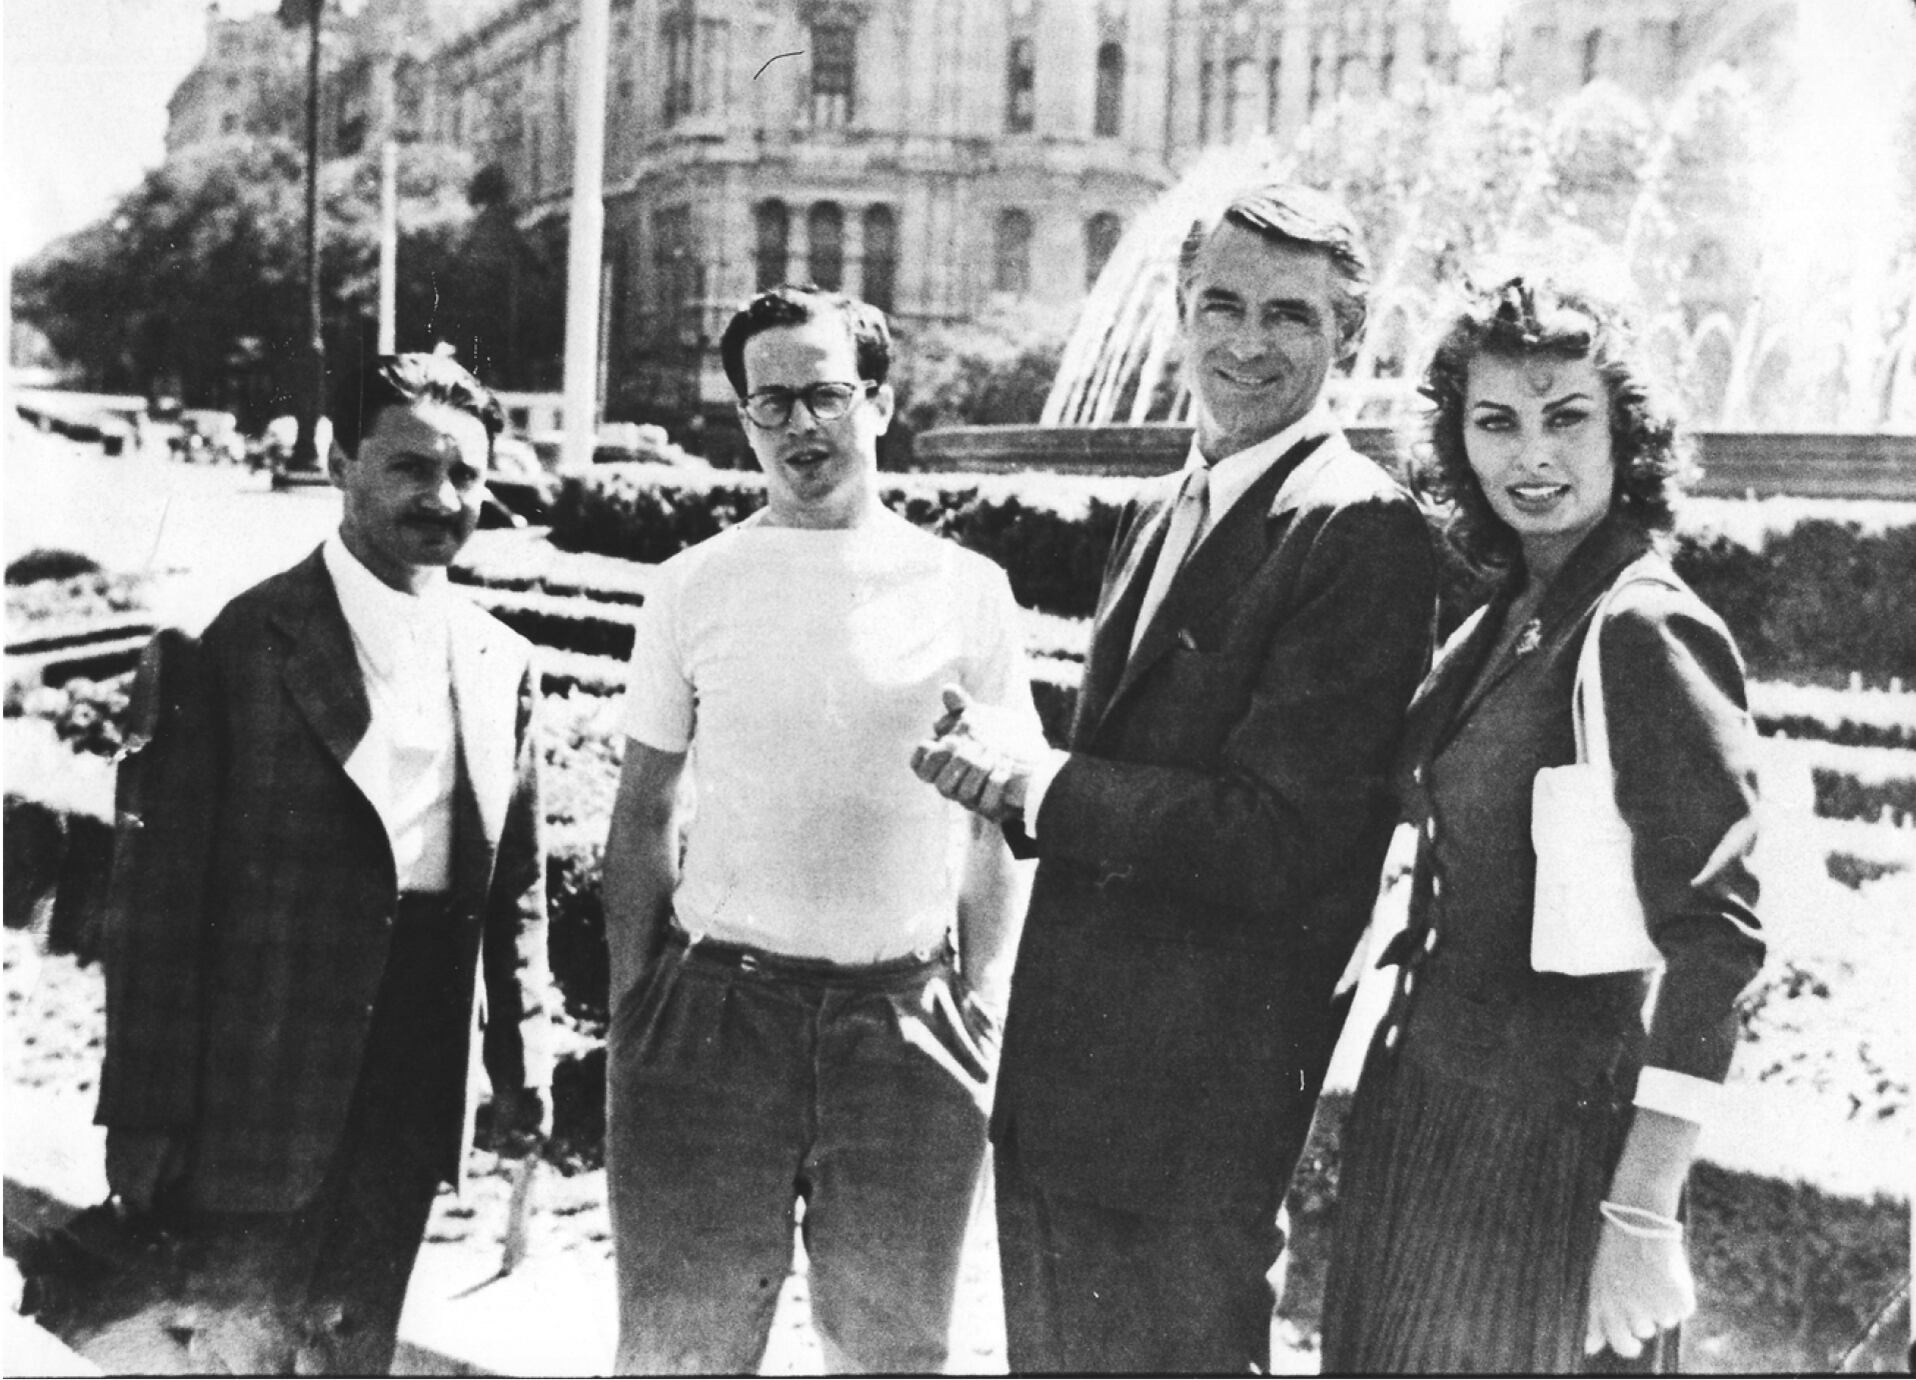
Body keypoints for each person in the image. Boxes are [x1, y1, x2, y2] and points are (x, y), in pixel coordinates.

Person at [912, 183, 1438, 1374]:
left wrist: (1041, 783)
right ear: (1178, 311)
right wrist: (1008, 769)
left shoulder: (1361, 530)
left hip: (1193, 1118)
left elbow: (1276, 838)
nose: (1247, 342)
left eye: (1291, 317)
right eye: (1223, 304)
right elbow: (1139, 772)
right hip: (1063, 1087)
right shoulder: (1158, 509)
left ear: (1347, 338)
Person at [1318, 276, 1767, 1373]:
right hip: (1428, 1117)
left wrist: (1642, 1216)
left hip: (1550, 1155)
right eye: (1495, 422)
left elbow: (1717, 941)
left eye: (1565, 417)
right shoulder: (1510, 606)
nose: (1531, 455)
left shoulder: (1640, 624)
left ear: (1625, 432)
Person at [601, 284, 1039, 1374]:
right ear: (744, 418)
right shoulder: (691, 586)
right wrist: (633, 1007)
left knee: (887, 1355)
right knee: (680, 1352)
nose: (800, 426)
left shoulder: (967, 590)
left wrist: (976, 1002)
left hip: (901, 1027)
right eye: (771, 403)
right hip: (711, 1019)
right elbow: (643, 806)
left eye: (827, 395)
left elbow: (1001, 827)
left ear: (879, 403)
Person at [95, 353, 554, 1375]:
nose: (443, 500)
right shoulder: (235, 641)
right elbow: (154, 909)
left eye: (468, 477)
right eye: (409, 469)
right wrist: (143, 1118)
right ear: (340, 459)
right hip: (255, 1080)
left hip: (415, 1079)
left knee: (354, 1354)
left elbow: (512, 889)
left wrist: (520, 1069)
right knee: (231, 1354)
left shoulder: (498, 660)